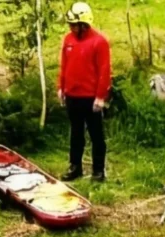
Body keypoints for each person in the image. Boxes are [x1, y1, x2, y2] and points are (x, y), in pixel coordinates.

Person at [58, 2, 111, 182]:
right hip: (72, 96)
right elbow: (64, 65)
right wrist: (61, 87)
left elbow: (104, 71)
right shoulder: (68, 40)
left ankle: (98, 170)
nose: (71, 28)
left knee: (96, 135)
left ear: (84, 24)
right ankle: (75, 167)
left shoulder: (99, 42)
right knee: (76, 133)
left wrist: (100, 97)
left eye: (74, 24)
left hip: (91, 98)